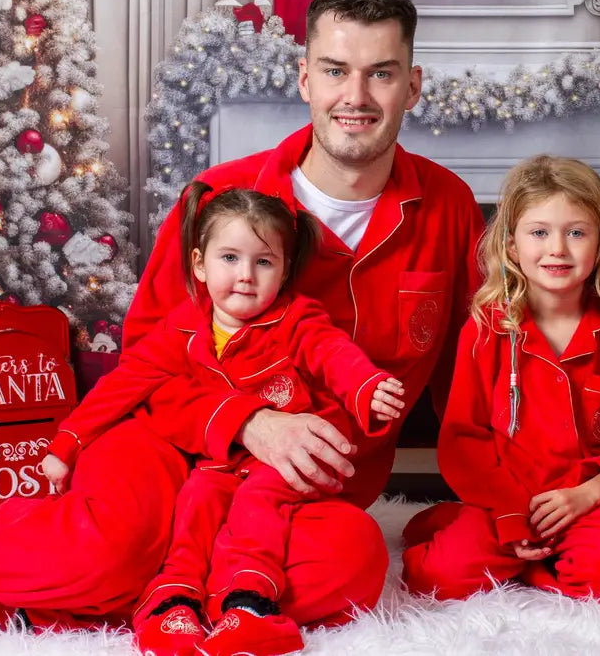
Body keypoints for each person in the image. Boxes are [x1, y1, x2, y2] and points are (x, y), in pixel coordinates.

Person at [0, 0, 483, 639]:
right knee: (116, 543)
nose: (354, 98)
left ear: (411, 87)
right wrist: (250, 421)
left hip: (298, 489)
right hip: (167, 445)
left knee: (351, 565)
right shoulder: (222, 195)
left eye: (380, 75)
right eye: (335, 71)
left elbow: (474, 375)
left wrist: (510, 501)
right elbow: (150, 357)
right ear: (305, 79)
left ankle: (27, 603)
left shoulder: (450, 207)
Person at [40, 182, 406, 656]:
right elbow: (124, 384)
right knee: (196, 505)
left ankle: (248, 603)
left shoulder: (296, 318)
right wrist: (66, 444)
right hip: (215, 464)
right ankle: (173, 600)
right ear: (199, 265)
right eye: (229, 258)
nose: (246, 276)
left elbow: (332, 353)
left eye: (264, 262)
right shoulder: (181, 328)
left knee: (259, 510)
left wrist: (367, 387)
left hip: (280, 467)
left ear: (284, 270)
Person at [402, 156, 600, 601]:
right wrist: (508, 513)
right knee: (436, 578)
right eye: (539, 232)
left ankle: (538, 569)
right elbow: (464, 438)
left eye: (576, 233)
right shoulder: (485, 331)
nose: (557, 249)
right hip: (503, 501)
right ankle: (454, 524)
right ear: (510, 247)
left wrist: (593, 492)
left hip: (585, 502)